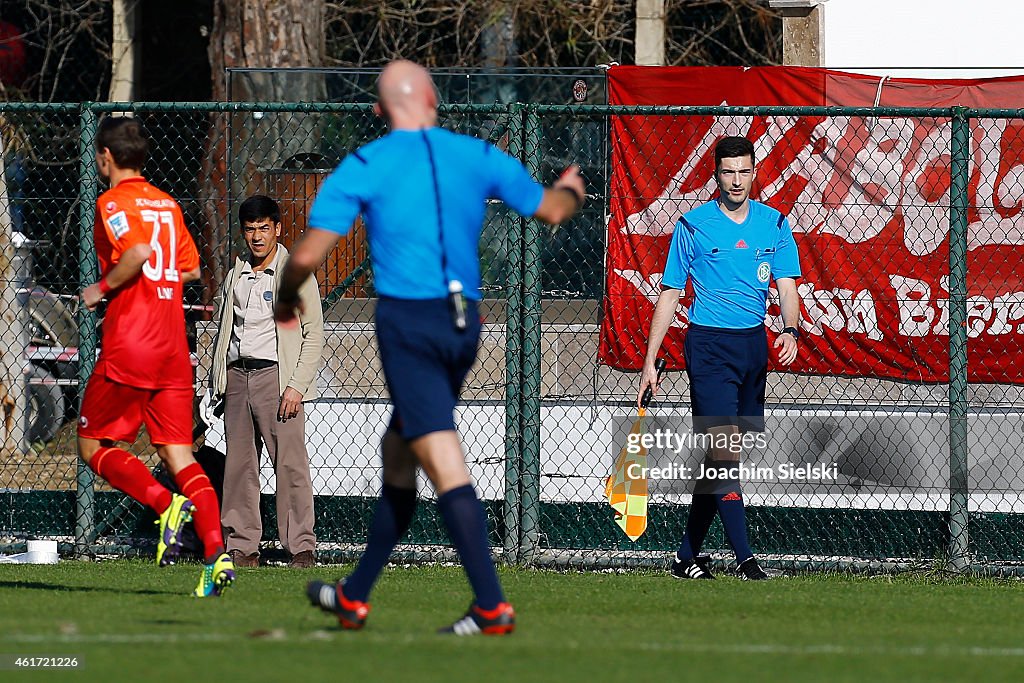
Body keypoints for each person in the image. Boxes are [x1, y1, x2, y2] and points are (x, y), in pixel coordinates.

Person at [275, 60, 585, 635]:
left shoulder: (365, 162)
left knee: (440, 457)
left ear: (378, 111)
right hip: (465, 324)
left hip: (410, 324)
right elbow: (551, 210)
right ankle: (354, 595)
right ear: (435, 101)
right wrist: (569, 188)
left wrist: (285, 299)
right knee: (399, 450)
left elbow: (305, 257)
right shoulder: (476, 153)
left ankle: (491, 604)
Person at [77, 116, 235, 597]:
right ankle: (215, 554)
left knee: (91, 446)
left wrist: (101, 287)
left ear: (105, 157)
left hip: (132, 342)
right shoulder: (167, 204)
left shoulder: (112, 202)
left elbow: (138, 252)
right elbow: (188, 271)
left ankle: (165, 505)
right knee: (180, 454)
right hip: (172, 347)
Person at [637, 135, 802, 581]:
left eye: (743, 171)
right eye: (728, 172)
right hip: (709, 346)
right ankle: (747, 560)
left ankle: (685, 557)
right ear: (716, 175)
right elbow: (670, 292)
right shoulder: (693, 225)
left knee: (722, 459)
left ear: (754, 173)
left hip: (752, 347)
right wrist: (650, 361)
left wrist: (790, 328)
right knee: (725, 452)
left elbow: (787, 287)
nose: (736, 180)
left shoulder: (775, 223)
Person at [209, 195, 324, 569]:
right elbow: (226, 330)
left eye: (264, 229)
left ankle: (301, 546)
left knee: (289, 464)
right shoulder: (236, 275)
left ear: (277, 229)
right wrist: (218, 379)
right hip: (238, 376)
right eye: (250, 230)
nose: (257, 237)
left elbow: (313, 334)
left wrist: (296, 386)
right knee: (239, 466)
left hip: (277, 377)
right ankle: (242, 547)